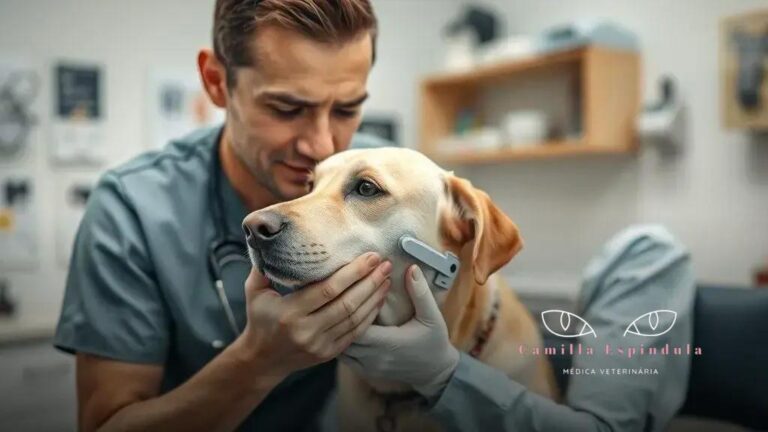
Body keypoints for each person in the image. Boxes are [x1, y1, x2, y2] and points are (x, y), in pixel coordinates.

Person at [54, 1, 695, 431]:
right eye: (287, 108)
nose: (322, 144)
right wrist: (260, 360)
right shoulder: (131, 211)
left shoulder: (429, 213)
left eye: (348, 107)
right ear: (217, 83)